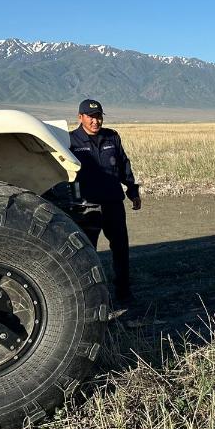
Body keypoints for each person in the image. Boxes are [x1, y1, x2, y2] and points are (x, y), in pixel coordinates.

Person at [70, 99, 141, 300]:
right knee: (86, 252)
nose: (96, 121)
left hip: (113, 203)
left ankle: (123, 291)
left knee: (120, 248)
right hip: (86, 207)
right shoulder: (71, 141)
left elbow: (124, 165)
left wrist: (133, 191)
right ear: (80, 117)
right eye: (91, 117)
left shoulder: (112, 137)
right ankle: (89, 296)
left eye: (99, 116)